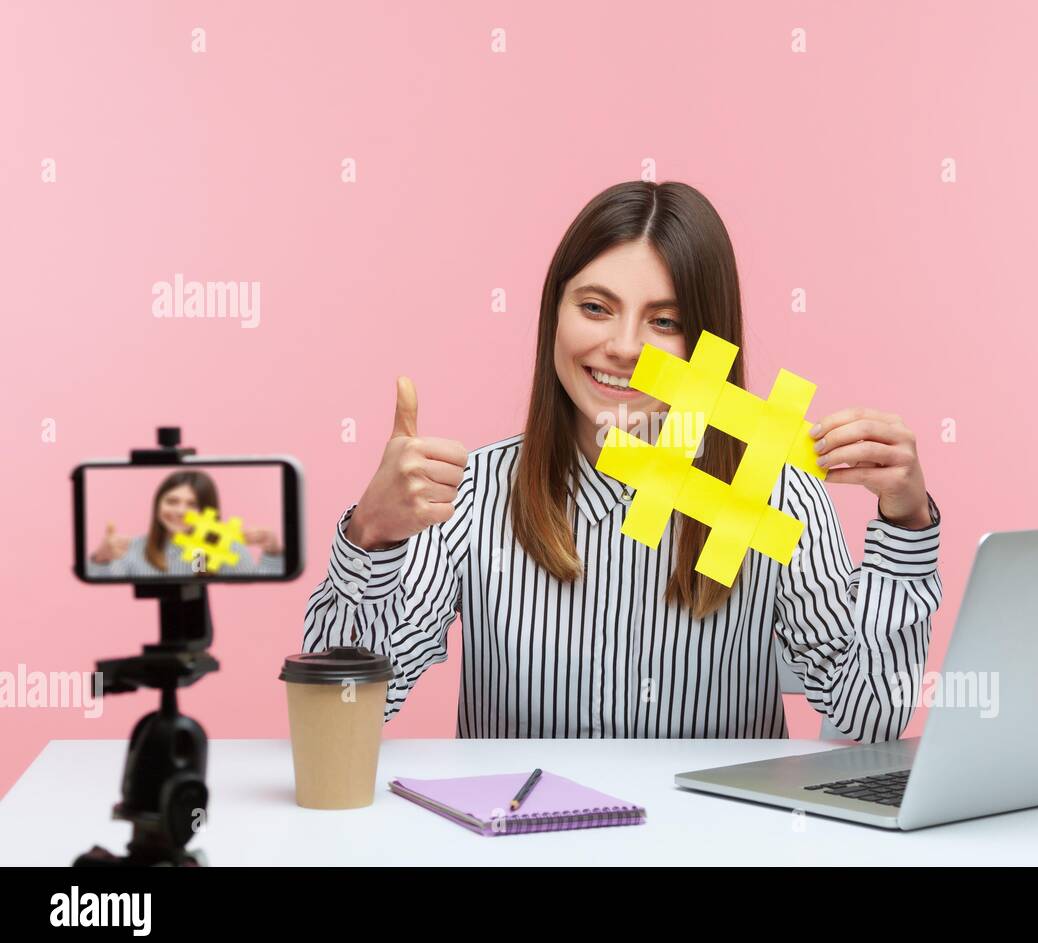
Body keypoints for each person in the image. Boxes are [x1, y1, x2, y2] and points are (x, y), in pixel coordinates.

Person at [302, 180, 942, 740]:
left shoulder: (773, 494)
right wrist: (371, 538)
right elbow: (348, 703)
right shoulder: (470, 496)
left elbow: (869, 717)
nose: (625, 347)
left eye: (665, 322)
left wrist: (906, 526)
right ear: (554, 316)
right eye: (595, 308)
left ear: (708, 344)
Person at [87, 469, 284, 577]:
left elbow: (259, 582)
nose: (181, 511)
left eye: (192, 504)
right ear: (157, 504)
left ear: (208, 511)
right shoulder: (133, 549)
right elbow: (103, 581)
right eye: (172, 501)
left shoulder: (227, 549)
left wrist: (273, 552)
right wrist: (101, 557)